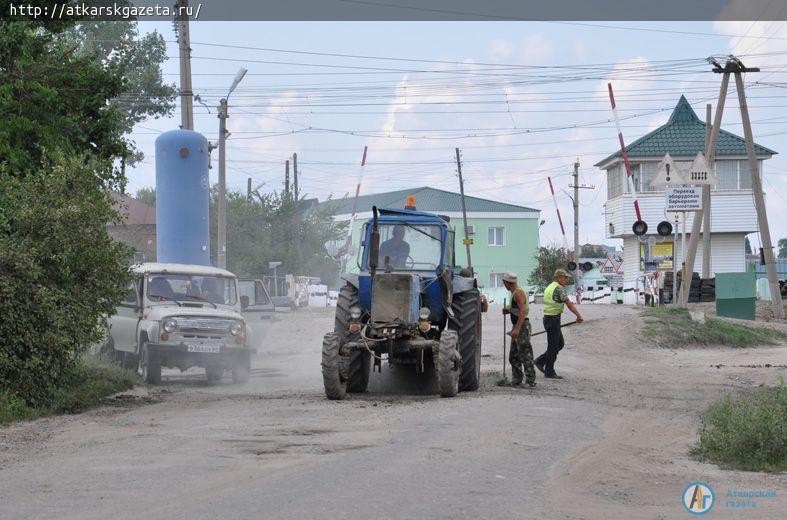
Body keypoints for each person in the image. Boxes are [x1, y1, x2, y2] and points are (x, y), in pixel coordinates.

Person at [535, 269, 583, 379]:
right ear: (558, 277)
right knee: (553, 346)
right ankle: (549, 371)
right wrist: (578, 315)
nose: (566, 280)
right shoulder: (559, 288)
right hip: (553, 319)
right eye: (564, 277)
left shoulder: (549, 287)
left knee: (559, 344)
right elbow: (569, 304)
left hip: (549, 318)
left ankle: (540, 360)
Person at [502, 272, 536, 388]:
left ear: (506, 282)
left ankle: (530, 380)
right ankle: (517, 379)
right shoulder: (515, 292)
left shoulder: (518, 293)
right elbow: (517, 308)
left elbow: (523, 311)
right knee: (514, 355)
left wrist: (517, 329)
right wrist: (508, 310)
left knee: (525, 354)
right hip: (517, 325)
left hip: (521, 326)